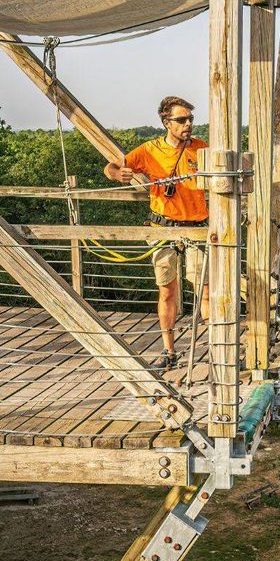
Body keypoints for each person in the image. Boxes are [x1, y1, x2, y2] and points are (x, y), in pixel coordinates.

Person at [104, 96, 210, 371]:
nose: (188, 124)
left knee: (206, 290)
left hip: (198, 226)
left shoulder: (201, 149)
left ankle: (214, 349)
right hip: (163, 228)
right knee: (167, 291)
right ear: (166, 122)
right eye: (181, 120)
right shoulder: (150, 150)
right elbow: (111, 167)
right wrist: (119, 175)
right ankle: (169, 350)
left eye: (190, 119)